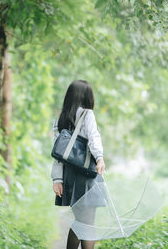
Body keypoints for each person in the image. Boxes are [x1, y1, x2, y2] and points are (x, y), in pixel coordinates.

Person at [51, 80, 105, 249]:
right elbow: (93, 136)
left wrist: (57, 179)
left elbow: (58, 153)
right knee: (88, 223)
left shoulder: (60, 119)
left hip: (69, 176)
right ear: (87, 97)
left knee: (81, 221)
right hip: (86, 174)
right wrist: (100, 157)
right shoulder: (87, 114)